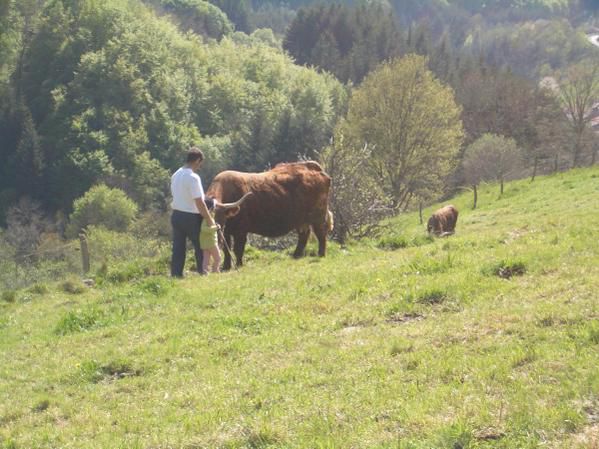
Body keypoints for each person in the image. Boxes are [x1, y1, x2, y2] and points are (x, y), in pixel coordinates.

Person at [170, 147, 216, 278]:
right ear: (197, 160)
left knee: (178, 248)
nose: (200, 166)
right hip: (191, 217)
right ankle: (203, 272)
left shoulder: (176, 174)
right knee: (201, 245)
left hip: (176, 215)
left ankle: (176, 274)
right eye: (200, 162)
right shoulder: (193, 177)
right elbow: (199, 202)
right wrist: (209, 219)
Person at [200, 203, 221, 274]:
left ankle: (205, 272)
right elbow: (204, 229)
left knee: (206, 259)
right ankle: (215, 270)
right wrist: (216, 228)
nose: (214, 211)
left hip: (205, 243)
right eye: (214, 210)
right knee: (218, 258)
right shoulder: (207, 219)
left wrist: (216, 225)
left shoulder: (209, 218)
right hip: (211, 242)